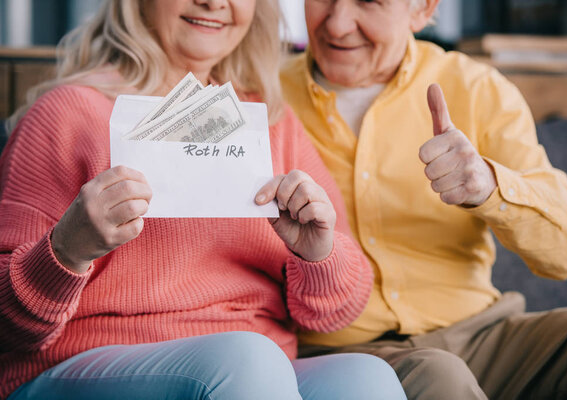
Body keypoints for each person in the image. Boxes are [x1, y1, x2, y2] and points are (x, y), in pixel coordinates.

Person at [0, 1, 407, 399]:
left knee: (366, 376)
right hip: (83, 363)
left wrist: (319, 255)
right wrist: (67, 251)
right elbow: (6, 328)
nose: (213, 2)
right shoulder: (65, 114)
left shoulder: (271, 124)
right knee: (247, 361)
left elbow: (336, 313)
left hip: (256, 366)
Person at [280, 0, 567, 399]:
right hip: (346, 355)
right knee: (439, 376)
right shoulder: (266, 96)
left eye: (369, 2)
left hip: (487, 336)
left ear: (422, 9)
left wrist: (490, 187)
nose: (339, 24)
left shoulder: (476, 87)